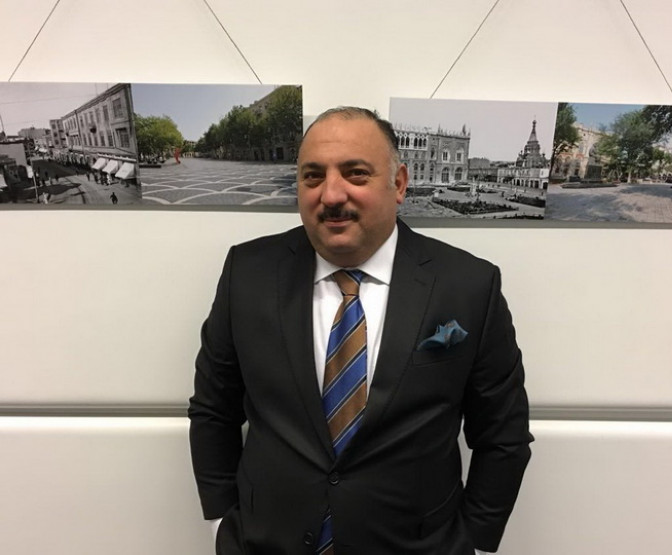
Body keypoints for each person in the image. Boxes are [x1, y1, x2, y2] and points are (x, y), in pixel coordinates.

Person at [188, 107, 532, 555]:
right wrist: (220, 521)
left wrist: (477, 542)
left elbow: (502, 435)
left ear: (399, 183)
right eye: (313, 176)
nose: (331, 194)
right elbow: (214, 409)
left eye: (356, 173)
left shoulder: (468, 286)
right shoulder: (247, 273)